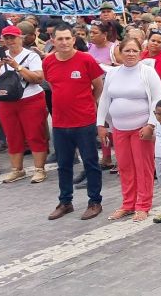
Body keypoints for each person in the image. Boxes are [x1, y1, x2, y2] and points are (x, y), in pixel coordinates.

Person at [97, 38, 161, 222]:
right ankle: (128, 204)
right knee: (125, 167)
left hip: (141, 128)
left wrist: (151, 124)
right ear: (120, 52)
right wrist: (101, 124)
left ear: (140, 52)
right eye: (127, 50)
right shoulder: (113, 73)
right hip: (119, 128)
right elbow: (104, 99)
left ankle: (143, 205)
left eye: (135, 50)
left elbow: (157, 100)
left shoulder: (148, 72)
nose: (131, 54)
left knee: (143, 168)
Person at [44, 23, 106, 221]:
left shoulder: (86, 59)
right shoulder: (48, 62)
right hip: (60, 123)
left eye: (67, 38)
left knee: (90, 163)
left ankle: (95, 201)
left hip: (84, 121)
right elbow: (54, 86)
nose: (63, 42)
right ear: (53, 41)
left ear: (73, 39)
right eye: (59, 39)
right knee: (63, 165)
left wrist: (89, 105)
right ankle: (65, 202)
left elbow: (98, 86)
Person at [0, 25, 49, 184]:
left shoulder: (31, 56)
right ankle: (17, 169)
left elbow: (38, 79)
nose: (10, 41)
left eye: (12, 37)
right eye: (6, 38)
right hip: (6, 101)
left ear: (20, 38)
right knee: (12, 135)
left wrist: (18, 67)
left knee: (34, 134)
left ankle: (39, 169)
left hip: (30, 99)